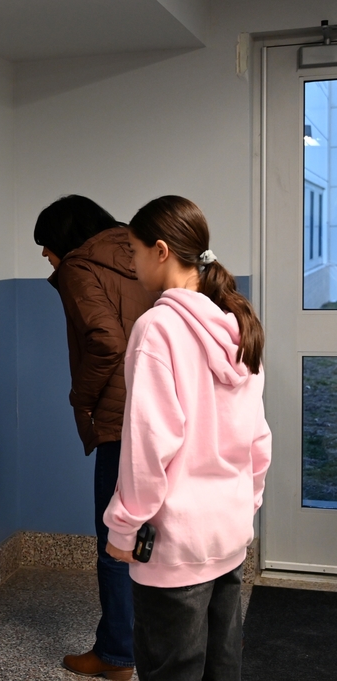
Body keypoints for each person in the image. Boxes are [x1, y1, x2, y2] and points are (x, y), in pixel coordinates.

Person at [105, 196, 271, 681]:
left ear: (161, 251)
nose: (131, 264)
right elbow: (258, 438)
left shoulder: (157, 329)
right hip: (230, 531)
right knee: (223, 669)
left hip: (174, 543)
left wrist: (122, 529)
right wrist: (247, 503)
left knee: (171, 671)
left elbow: (148, 447)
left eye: (133, 252)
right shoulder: (239, 325)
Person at [34, 195, 158, 680]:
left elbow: (107, 342)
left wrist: (80, 398)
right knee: (153, 533)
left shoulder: (79, 267)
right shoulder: (140, 250)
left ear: (65, 239)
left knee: (115, 538)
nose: (45, 257)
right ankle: (149, 647)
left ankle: (116, 657)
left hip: (120, 414)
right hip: (163, 407)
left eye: (47, 246)